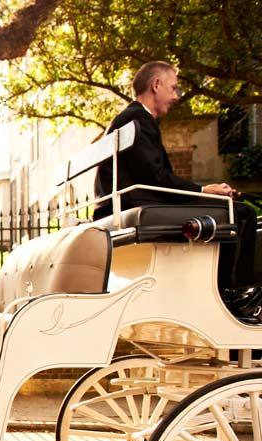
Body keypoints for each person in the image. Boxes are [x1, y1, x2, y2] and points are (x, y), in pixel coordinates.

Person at [95, 61, 259, 297]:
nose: (176, 96)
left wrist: (203, 190)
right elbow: (157, 179)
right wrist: (203, 190)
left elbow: (153, 176)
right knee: (242, 213)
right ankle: (235, 293)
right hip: (139, 201)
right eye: (173, 88)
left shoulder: (130, 119)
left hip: (124, 202)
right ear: (156, 85)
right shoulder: (138, 120)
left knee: (231, 208)